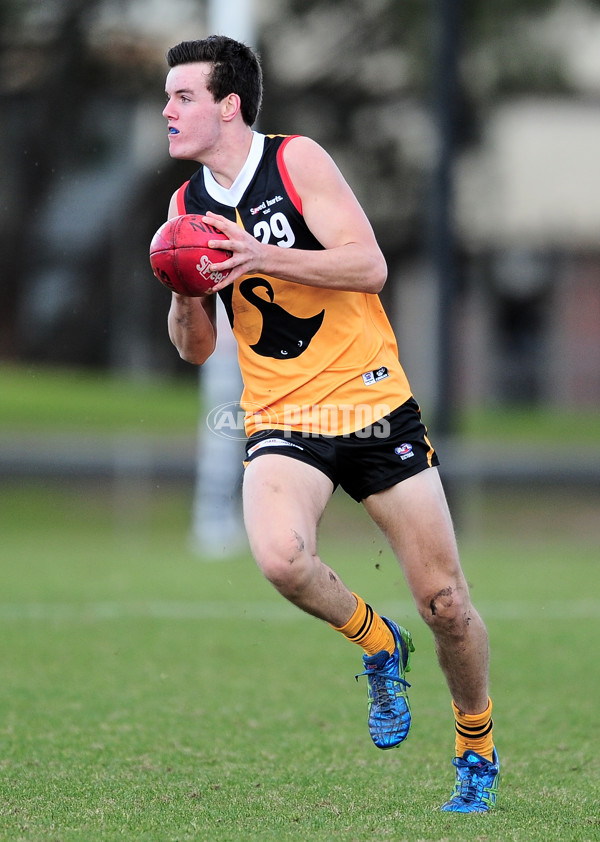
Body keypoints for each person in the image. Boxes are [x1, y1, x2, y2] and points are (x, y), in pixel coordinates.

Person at [160, 35, 499, 813]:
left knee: (446, 601)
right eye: (168, 98)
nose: (168, 111)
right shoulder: (186, 208)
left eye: (183, 97)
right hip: (283, 415)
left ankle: (476, 744)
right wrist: (183, 293)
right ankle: (379, 645)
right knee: (282, 559)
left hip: (372, 405)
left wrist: (255, 257)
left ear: (228, 106)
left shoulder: (295, 162)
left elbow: (368, 265)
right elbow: (196, 348)